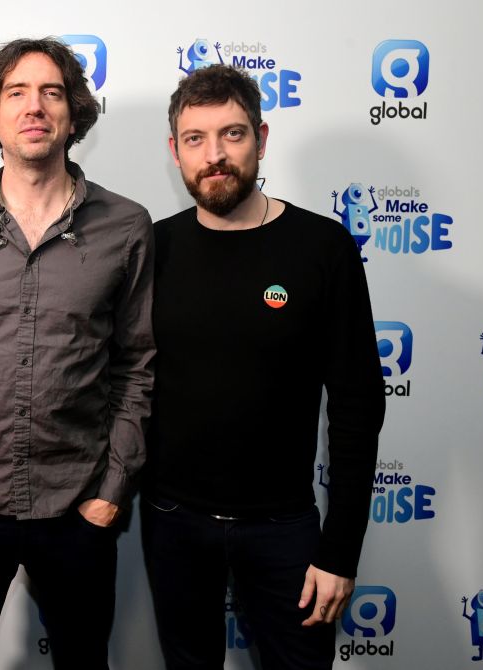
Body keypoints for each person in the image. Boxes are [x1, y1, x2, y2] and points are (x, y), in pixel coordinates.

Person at [0, 37, 154, 669]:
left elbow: (138, 366)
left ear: (74, 115)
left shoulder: (127, 227)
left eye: (51, 92)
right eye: (16, 92)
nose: (34, 106)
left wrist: (109, 494)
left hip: (79, 505)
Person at [142, 64, 385, 669]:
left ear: (262, 138)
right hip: (172, 522)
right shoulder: (153, 247)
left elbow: (358, 404)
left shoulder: (322, 247)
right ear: (175, 151)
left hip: (285, 529)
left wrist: (340, 551)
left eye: (233, 134)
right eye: (195, 139)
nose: (215, 155)